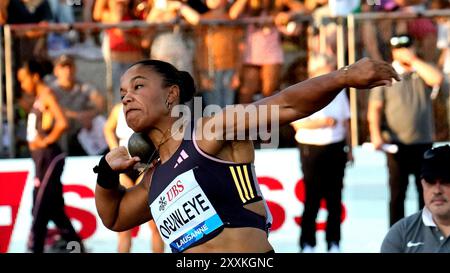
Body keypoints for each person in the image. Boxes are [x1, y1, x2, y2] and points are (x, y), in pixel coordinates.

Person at [94, 58, 398, 253]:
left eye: (138, 86)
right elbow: (116, 217)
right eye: (122, 94)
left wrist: (343, 76)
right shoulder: (153, 178)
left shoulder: (210, 131)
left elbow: (288, 105)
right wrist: (106, 174)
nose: (127, 97)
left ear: (171, 94)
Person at [367, 35, 446, 227]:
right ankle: (397, 233)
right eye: (399, 48)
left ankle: (426, 232)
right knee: (397, 193)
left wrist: (414, 60)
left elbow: (437, 79)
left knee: (426, 192)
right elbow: (374, 109)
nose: (403, 51)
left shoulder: (421, 71)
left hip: (423, 143)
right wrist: (376, 135)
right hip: (396, 144)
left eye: (406, 47)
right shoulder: (387, 75)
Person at [18, 60, 83, 253]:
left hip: (49, 158)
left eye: (24, 79)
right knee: (54, 208)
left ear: (35, 76)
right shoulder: (39, 97)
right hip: (41, 159)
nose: (22, 84)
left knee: (39, 206)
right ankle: (77, 247)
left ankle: (35, 247)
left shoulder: (46, 94)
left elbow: (62, 122)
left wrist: (46, 141)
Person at [291, 54, 352, 253]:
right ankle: (307, 242)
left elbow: (346, 121)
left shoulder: (339, 92)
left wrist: (349, 148)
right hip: (312, 148)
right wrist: (322, 123)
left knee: (335, 198)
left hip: (335, 146)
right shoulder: (303, 90)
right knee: (313, 197)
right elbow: (297, 123)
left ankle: (333, 241)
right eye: (328, 67)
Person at [103, 103, 164, 253]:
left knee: (154, 224)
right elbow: (107, 129)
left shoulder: (149, 109)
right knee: (124, 226)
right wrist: (114, 149)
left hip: (145, 166)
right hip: (124, 168)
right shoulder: (118, 109)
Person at [380, 144, 450, 253]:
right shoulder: (400, 235)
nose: (437, 190)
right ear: (422, 184)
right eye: (430, 181)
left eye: (445, 181)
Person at [46, 54, 107, 156]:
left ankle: (103, 155)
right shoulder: (51, 89)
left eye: (70, 66)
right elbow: (51, 109)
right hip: (59, 132)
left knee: (99, 121)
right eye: (63, 67)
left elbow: (101, 103)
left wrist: (90, 115)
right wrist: (77, 116)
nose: (67, 70)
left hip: (79, 132)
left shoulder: (82, 86)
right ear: (56, 71)